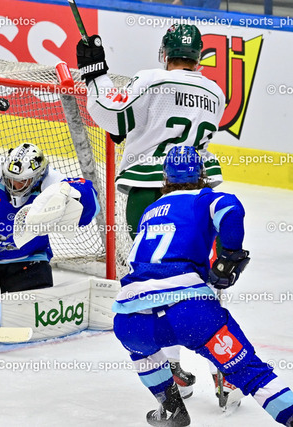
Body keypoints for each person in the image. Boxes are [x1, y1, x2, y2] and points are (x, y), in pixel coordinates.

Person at [111, 146, 293, 427]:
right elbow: (232, 210)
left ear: (165, 179)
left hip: (130, 319)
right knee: (251, 372)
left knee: (139, 349)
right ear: (202, 175)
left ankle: (170, 406)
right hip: (190, 313)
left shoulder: (150, 210)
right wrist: (229, 258)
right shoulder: (203, 199)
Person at [77, 23, 226, 397]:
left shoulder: (152, 79)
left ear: (165, 53)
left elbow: (114, 119)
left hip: (152, 190)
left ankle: (172, 365)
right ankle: (222, 361)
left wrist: (94, 73)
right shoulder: (215, 92)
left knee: (156, 279)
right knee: (198, 275)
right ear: (198, 57)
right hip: (198, 192)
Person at [0, 142, 99, 293]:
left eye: (21, 182)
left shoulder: (53, 184)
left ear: (37, 177)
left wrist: (72, 195)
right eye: (10, 178)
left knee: (32, 316)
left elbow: (90, 206)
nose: (13, 185)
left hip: (28, 260)